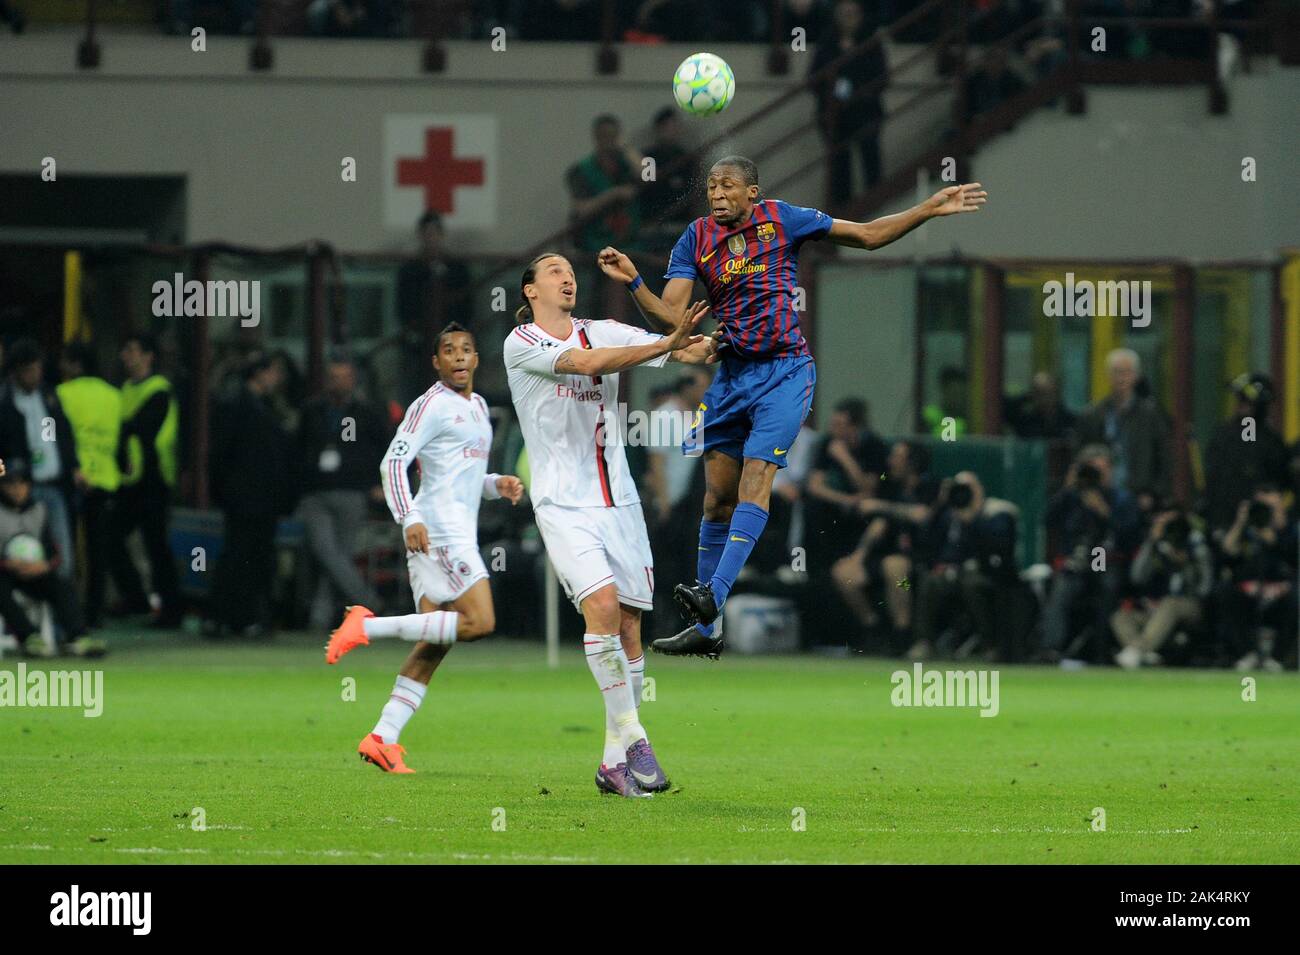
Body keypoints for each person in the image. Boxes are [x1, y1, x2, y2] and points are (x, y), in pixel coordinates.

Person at [635, 157, 985, 660]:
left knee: (758, 474)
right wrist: (633, 283)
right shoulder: (695, 236)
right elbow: (672, 317)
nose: (716, 193)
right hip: (731, 377)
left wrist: (926, 209)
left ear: (752, 193)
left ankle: (712, 599)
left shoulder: (783, 218)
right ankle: (707, 633)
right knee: (715, 499)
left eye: (728, 185)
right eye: (711, 185)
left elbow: (866, 235)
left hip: (785, 372)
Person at [504, 250, 714, 797]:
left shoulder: (604, 328)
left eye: (570, 270)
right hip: (563, 505)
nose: (566, 276)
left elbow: (690, 346)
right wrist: (664, 344)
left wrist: (740, 338)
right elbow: (586, 366)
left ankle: (611, 763)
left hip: (619, 501)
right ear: (530, 291)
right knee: (599, 608)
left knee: (627, 628)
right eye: (552, 271)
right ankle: (636, 736)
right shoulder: (521, 343)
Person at [326, 323, 525, 773]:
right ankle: (365, 627)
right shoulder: (430, 405)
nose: (458, 357)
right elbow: (393, 461)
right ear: (436, 363)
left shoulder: (476, 406)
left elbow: (462, 476)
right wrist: (409, 517)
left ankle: (381, 737)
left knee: (433, 642)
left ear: (476, 360)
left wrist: (497, 484)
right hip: (439, 531)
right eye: (448, 351)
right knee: (480, 621)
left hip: (453, 528)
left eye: (466, 350)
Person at [296, 356, 386, 629]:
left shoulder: (367, 413)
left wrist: (380, 484)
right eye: (334, 377)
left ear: (353, 379)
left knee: (339, 556)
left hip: (352, 492)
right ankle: (370, 602)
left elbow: (385, 447)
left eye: (344, 377)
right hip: (316, 492)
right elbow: (298, 449)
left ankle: (319, 619)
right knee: (326, 551)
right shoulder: (312, 411)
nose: (338, 383)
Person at [207, 353, 289, 637]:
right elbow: (225, 452)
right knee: (245, 556)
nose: (277, 379)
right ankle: (233, 616)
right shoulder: (244, 407)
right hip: (249, 497)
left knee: (245, 555)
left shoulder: (252, 405)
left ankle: (235, 617)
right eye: (274, 372)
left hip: (251, 497)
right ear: (260, 374)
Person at [1039, 444, 1141, 663]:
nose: (1098, 476)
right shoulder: (1073, 497)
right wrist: (1068, 487)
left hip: (1106, 556)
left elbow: (1130, 534)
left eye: (1102, 470)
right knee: (1062, 588)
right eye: (1092, 470)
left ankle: (1100, 651)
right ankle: (1051, 649)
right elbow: (1048, 519)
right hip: (1078, 557)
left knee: (1106, 585)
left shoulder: (1122, 499)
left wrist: (1104, 512)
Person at [111, 332, 182, 625]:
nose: (125, 355)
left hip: (153, 480)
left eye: (131, 349)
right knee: (111, 536)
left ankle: (170, 610)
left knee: (157, 546)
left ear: (148, 356)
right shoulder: (126, 389)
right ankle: (137, 598)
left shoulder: (159, 390)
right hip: (128, 480)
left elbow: (141, 427)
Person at [910, 472, 1017, 661]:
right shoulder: (948, 513)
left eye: (969, 489)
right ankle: (924, 642)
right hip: (951, 572)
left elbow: (999, 545)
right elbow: (927, 540)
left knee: (972, 585)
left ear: (980, 490)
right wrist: (940, 504)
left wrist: (973, 518)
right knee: (930, 582)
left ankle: (989, 645)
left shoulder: (996, 511)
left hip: (985, 573)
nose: (963, 494)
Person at [0, 338, 80, 582]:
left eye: (38, 368)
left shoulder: (48, 397)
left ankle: (63, 607)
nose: (35, 375)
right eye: (29, 370)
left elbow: (61, 436)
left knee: (61, 551)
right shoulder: (5, 403)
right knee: (21, 549)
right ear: (17, 372)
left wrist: (72, 466)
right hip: (22, 488)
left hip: (54, 485)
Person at [56, 343, 122, 628]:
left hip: (73, 478)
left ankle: (68, 611)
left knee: (65, 548)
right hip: (105, 478)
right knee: (98, 552)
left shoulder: (63, 393)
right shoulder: (114, 396)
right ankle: (94, 613)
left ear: (74, 364)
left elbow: (57, 435)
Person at [0, 459, 90, 657]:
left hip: (35, 571)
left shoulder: (39, 510)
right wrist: (8, 564)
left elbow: (53, 551)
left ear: (29, 485)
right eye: (10, 484)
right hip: (5, 572)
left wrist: (44, 565)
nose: (17, 489)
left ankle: (77, 636)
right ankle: (29, 637)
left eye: (22, 483)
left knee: (61, 583)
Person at [1111, 508, 1212, 669]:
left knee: (1170, 603)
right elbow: (1137, 577)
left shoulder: (1196, 544)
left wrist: (1187, 563)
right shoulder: (1159, 546)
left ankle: (1137, 651)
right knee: (1121, 616)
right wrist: (1151, 542)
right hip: (1157, 609)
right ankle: (1145, 653)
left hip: (1190, 606)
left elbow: (1205, 588)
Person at [812, 0, 888, 207]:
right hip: (836, 114)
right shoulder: (828, 41)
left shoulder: (871, 41)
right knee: (839, 162)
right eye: (845, 14)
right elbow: (814, 78)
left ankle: (875, 200)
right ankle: (842, 207)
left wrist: (859, 90)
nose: (849, 19)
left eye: (853, 14)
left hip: (866, 111)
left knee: (870, 155)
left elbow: (882, 77)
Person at [1075, 348, 1170, 513]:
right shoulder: (1093, 415)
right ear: (1108, 376)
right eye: (1117, 372)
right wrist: (1089, 491)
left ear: (1136, 376)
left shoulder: (1151, 415)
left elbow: (1164, 457)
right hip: (1101, 496)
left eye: (1127, 372)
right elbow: (1080, 456)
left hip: (1139, 496)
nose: (1121, 378)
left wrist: (1153, 493)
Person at [1218, 485, 1296, 672]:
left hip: (1282, 591)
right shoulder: (1248, 530)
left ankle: (1277, 658)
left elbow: (1293, 557)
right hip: (1249, 591)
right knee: (1224, 592)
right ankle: (1249, 653)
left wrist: (1275, 535)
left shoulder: (1291, 530)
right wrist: (1241, 521)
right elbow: (1227, 552)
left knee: (1296, 599)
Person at [1201, 373, 1288, 532]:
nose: (1241, 404)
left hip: (1260, 526)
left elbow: (1280, 482)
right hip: (1223, 522)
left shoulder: (1271, 442)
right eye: (1240, 399)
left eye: (1247, 401)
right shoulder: (1224, 435)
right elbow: (1212, 478)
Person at [566, 115, 643, 253]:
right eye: (604, 136)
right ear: (596, 137)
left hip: (631, 240)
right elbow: (581, 209)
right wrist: (614, 194)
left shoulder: (627, 164)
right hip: (597, 242)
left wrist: (627, 148)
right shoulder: (581, 170)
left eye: (613, 136)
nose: (609, 141)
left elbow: (650, 176)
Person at [1004, 370, 1075, 440]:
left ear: (1057, 393)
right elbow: (1005, 408)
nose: (1044, 398)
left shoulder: (1069, 420)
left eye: (1048, 393)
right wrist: (1026, 397)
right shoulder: (1025, 421)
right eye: (1039, 393)